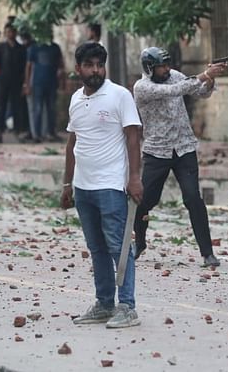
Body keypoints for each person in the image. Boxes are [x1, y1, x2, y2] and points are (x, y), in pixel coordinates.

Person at [61, 42, 143, 329]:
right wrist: (67, 184)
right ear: (78, 69)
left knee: (119, 247)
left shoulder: (119, 96)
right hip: (83, 188)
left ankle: (127, 306)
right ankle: (104, 304)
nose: (95, 70)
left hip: (110, 185)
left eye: (99, 65)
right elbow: (73, 142)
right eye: (90, 65)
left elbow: (133, 138)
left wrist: (134, 178)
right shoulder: (75, 100)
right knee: (96, 248)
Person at [132, 47, 226, 267]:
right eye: (161, 66)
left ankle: (207, 253)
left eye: (167, 64)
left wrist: (210, 79)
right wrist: (204, 74)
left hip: (184, 147)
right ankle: (140, 242)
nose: (166, 69)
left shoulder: (175, 75)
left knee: (193, 198)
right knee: (144, 201)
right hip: (157, 150)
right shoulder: (142, 87)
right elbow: (174, 91)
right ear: (149, 68)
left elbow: (200, 92)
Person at [24, 32, 64, 142]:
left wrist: (61, 79)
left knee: (51, 109)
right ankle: (36, 135)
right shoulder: (34, 48)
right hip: (38, 84)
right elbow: (28, 66)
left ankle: (51, 133)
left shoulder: (55, 48)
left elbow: (61, 64)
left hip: (52, 83)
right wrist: (27, 84)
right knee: (38, 109)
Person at [0, 24, 27, 143]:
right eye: (8, 32)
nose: (10, 34)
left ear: (15, 33)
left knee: (16, 107)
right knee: (1, 108)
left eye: (12, 31)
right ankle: (0, 133)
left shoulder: (21, 48)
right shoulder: (1, 47)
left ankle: (17, 132)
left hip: (16, 82)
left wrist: (24, 82)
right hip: (2, 82)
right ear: (5, 33)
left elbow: (24, 66)